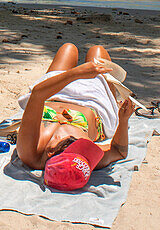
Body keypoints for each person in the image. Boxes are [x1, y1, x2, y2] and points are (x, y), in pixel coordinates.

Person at [15, 43, 134, 189]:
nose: (81, 147)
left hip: (54, 92)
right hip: (93, 100)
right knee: (97, 51)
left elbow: (38, 95)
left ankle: (89, 74)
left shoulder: (30, 152)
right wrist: (123, 120)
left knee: (68, 48)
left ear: (51, 153)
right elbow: (119, 152)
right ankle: (109, 89)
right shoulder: (85, 159)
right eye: (81, 147)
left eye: (71, 144)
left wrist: (77, 73)